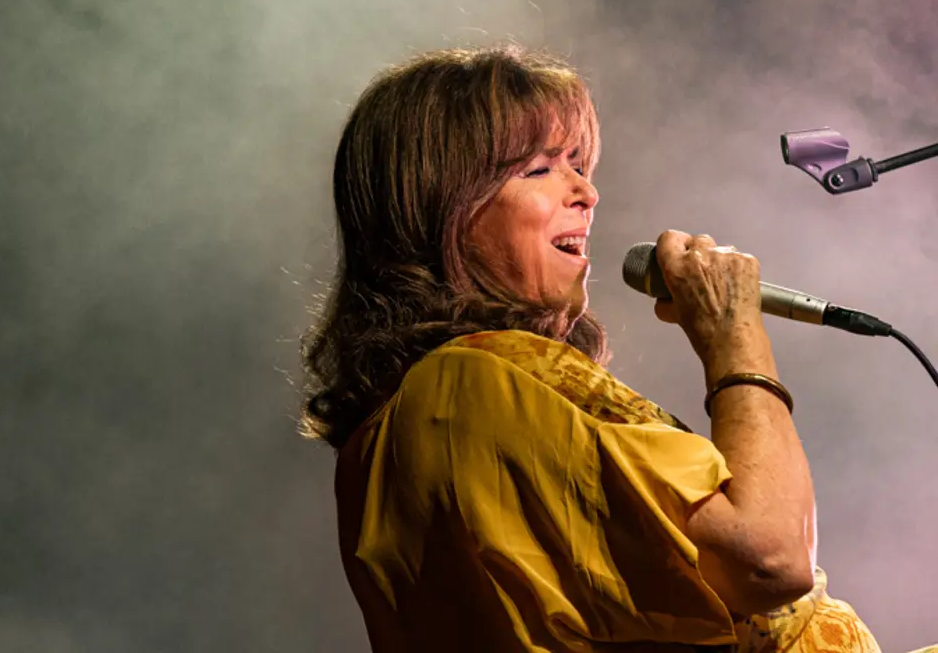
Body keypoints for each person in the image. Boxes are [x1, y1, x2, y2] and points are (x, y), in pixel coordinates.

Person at [299, 45, 913, 651]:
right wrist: (735, 337)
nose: (586, 194)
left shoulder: (399, 431)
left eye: (580, 166)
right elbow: (768, 559)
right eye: (538, 169)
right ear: (441, 211)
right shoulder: (469, 387)